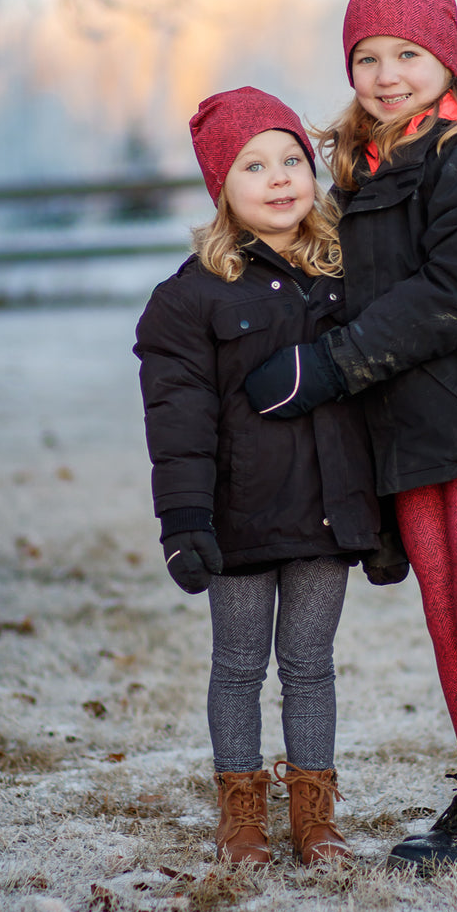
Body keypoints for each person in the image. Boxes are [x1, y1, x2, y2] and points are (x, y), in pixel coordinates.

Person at [245, 0, 457, 873]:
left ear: (447, 60)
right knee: (443, 611)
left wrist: (335, 365)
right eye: (367, 55)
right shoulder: (361, 173)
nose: (386, 74)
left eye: (408, 53)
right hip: (409, 431)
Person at [133, 87, 400, 868]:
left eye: (293, 159)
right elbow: (176, 424)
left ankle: (315, 819)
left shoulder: (348, 278)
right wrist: (184, 522)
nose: (280, 177)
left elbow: (381, 399)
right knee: (240, 666)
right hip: (240, 521)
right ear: (223, 187)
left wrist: (383, 516)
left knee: (312, 666)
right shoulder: (191, 300)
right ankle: (241, 815)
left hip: (326, 517)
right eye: (255, 165)